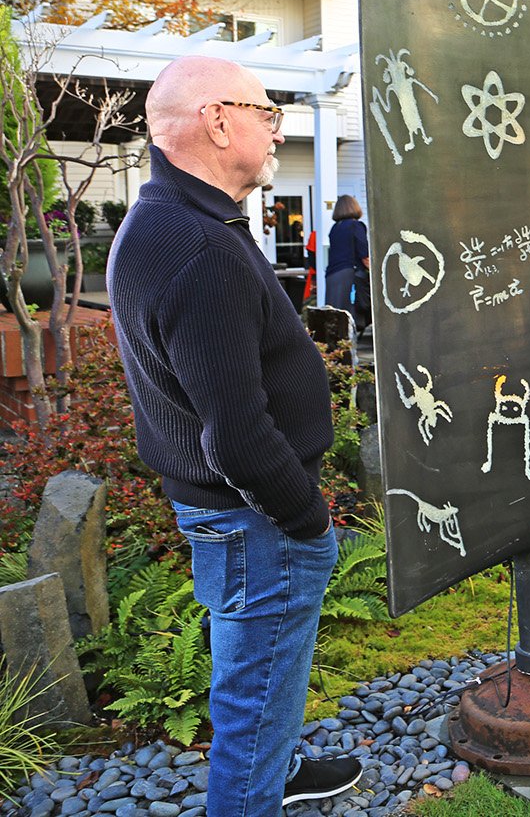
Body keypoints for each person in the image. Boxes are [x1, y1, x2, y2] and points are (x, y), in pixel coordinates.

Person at [108, 56, 362, 814]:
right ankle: (255, 788)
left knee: (256, 677)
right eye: (266, 113)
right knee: (252, 698)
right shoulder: (198, 247)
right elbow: (238, 439)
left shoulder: (176, 220)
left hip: (231, 513)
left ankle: (275, 770)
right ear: (218, 121)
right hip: (255, 520)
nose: (277, 131)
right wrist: (309, 524)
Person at [325, 194, 371, 336]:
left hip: (332, 275)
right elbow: (364, 254)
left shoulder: (334, 228)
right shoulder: (356, 226)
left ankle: (336, 344)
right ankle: (350, 344)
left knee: (335, 314)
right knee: (350, 315)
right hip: (349, 274)